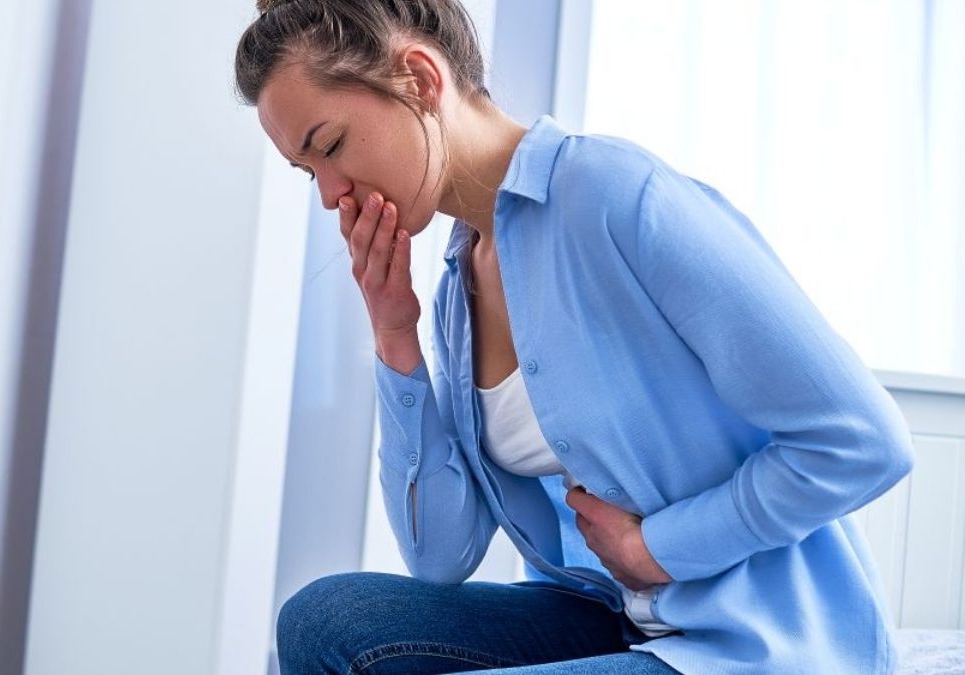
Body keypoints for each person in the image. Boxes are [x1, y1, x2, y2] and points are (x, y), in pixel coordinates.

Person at [235, 1, 916, 673]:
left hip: (752, 639)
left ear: (420, 78)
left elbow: (863, 439)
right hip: (607, 616)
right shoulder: (455, 290)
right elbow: (441, 554)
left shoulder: (614, 194)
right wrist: (394, 334)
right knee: (323, 620)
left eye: (329, 146)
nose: (328, 193)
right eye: (307, 171)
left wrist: (659, 548)